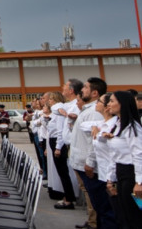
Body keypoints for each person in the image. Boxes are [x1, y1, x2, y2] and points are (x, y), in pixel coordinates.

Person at [70, 77, 110, 229]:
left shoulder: (95, 112)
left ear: (94, 93)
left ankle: (95, 224)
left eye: (85, 88)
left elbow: (95, 141)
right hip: (81, 161)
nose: (82, 90)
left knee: (99, 203)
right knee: (94, 199)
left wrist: (90, 162)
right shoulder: (88, 110)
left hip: (88, 164)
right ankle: (94, 223)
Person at [104, 90, 142, 228]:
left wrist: (139, 182)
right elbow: (114, 155)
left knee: (133, 216)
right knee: (123, 215)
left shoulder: (132, 128)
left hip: (131, 174)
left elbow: (138, 155)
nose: (109, 104)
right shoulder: (117, 125)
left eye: (112, 101)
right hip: (121, 173)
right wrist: (111, 179)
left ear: (123, 104)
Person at [48, 90, 78, 208]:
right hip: (55, 141)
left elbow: (60, 131)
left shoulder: (59, 113)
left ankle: (69, 198)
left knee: (63, 172)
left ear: (55, 100)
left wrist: (58, 148)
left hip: (58, 142)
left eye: (51, 99)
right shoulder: (56, 111)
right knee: (61, 172)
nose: (49, 101)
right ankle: (67, 195)